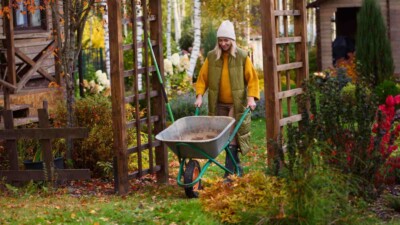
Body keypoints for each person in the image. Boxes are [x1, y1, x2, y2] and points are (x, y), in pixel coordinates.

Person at [194, 20, 260, 177]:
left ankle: (228, 174)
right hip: (218, 104)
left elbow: (252, 79)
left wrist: (251, 98)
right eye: (221, 40)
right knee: (223, 137)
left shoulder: (242, 57)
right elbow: (202, 79)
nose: (223, 43)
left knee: (230, 134)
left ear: (232, 40)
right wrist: (199, 96)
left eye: (226, 40)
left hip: (235, 105)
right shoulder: (212, 57)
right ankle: (237, 168)